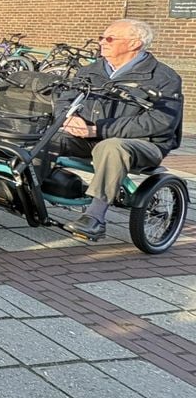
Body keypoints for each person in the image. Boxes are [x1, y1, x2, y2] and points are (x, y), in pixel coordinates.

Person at [49, 19, 183, 240]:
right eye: (101, 37)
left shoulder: (164, 78)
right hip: (88, 137)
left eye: (109, 38)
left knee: (112, 147)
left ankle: (95, 217)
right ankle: (28, 190)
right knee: (42, 138)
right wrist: (69, 117)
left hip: (144, 143)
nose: (102, 42)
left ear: (134, 43)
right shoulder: (90, 70)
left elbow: (160, 121)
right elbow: (66, 98)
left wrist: (98, 129)